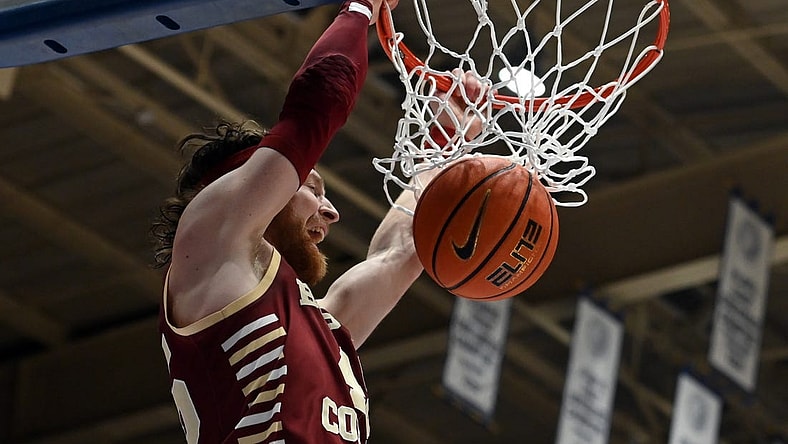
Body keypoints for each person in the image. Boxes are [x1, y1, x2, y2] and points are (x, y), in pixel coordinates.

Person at [150, 0, 486, 442]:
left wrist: (445, 145)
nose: (331, 213)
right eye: (313, 187)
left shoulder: (320, 326)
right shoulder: (211, 237)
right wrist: (361, 9)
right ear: (249, 181)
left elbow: (402, 250)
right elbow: (316, 103)